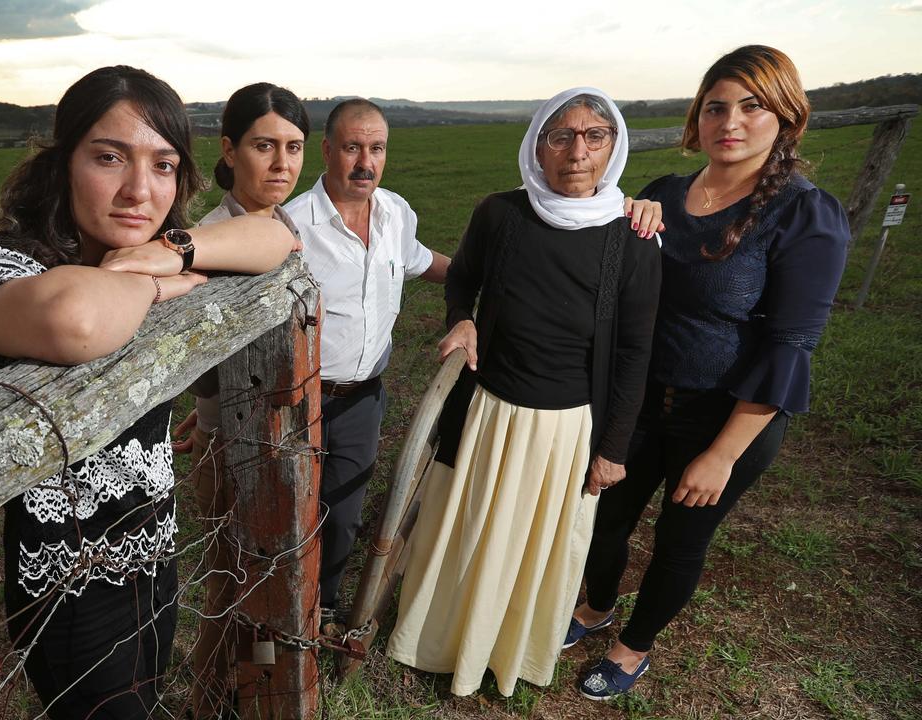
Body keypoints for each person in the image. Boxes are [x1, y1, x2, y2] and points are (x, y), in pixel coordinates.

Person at [0, 66, 294, 720]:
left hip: (153, 554)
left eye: (163, 165)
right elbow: (74, 318)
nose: (140, 189)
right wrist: (156, 285)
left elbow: (276, 236)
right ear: (63, 163)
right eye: (110, 157)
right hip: (68, 586)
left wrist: (172, 253)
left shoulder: (149, 247)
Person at [571, 45, 850, 700]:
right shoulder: (664, 195)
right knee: (604, 519)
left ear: (787, 116)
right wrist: (625, 222)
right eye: (717, 106)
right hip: (637, 401)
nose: (732, 121)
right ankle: (594, 606)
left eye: (753, 106)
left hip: (721, 415)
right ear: (697, 119)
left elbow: (791, 344)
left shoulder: (805, 214)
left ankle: (632, 647)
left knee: (679, 537)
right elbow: (610, 283)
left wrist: (723, 454)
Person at [385, 87, 663, 698]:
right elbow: (463, 277)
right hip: (489, 410)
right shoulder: (501, 214)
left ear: (614, 148)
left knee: (534, 543)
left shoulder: (633, 239)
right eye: (560, 135)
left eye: (595, 136)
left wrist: (613, 448)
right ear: (537, 144)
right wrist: (460, 316)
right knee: (470, 527)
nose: (576, 152)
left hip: (564, 426)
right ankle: (442, 639)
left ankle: (503, 649)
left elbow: (634, 354)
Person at [172, 81, 310, 719]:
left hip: (275, 429)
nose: (282, 163)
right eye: (264, 146)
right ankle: (220, 697)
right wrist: (205, 424)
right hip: (235, 440)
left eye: (293, 147)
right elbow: (201, 358)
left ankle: (253, 687)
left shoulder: (276, 221)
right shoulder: (215, 237)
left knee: (262, 576)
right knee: (237, 580)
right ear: (229, 151)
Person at [283, 98, 450, 618]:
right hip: (296, 399)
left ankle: (324, 610)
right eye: (353, 147)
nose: (365, 162)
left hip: (363, 399)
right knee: (289, 512)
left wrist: (492, 277)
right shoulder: (292, 226)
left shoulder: (396, 213)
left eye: (376, 148)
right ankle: (281, 610)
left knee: (344, 511)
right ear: (327, 150)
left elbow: (423, 263)